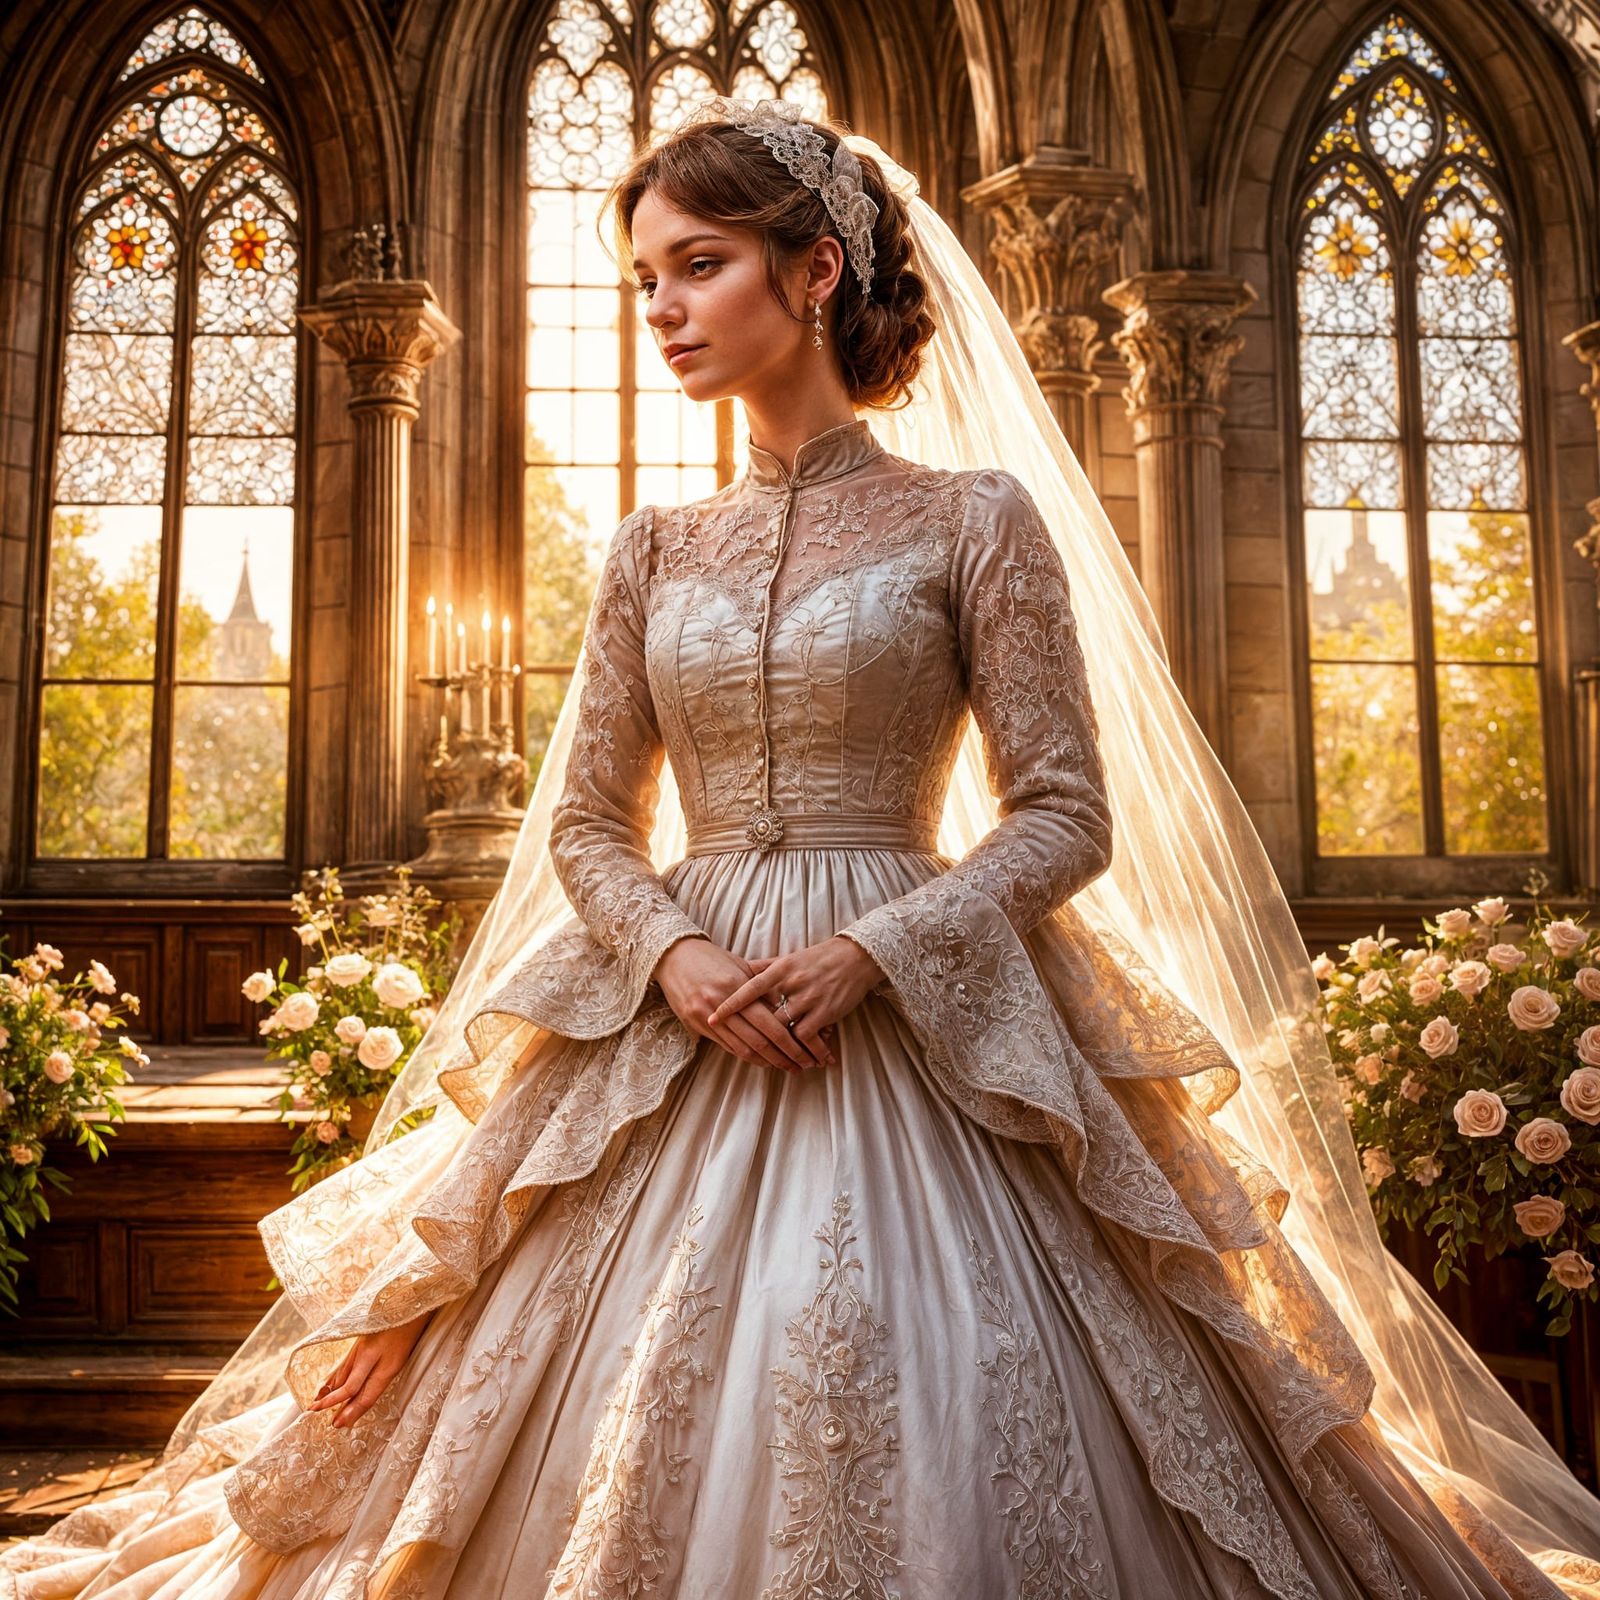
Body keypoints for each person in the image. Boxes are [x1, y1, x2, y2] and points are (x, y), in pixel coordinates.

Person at [6, 95, 1600, 1600]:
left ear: (816, 267)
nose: (665, 306)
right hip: (674, 1002)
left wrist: (876, 949)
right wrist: (679, 955)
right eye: (645, 277)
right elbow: (583, 818)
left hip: (916, 997)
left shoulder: (975, 518)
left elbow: (1065, 811)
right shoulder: (651, 548)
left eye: (699, 264)